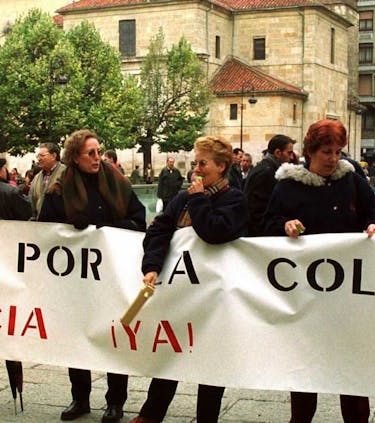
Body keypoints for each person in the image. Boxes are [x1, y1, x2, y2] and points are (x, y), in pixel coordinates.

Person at [263, 119, 375, 423]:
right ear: (310, 151)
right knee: (305, 368)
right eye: (327, 152)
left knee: (352, 369)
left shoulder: (352, 180)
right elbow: (266, 223)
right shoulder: (288, 185)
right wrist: (283, 226)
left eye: (338, 152)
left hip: (348, 295)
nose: (333, 159)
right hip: (306, 295)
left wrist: (374, 224)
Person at [130, 136, 248, 423]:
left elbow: (214, 231)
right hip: (183, 295)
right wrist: (153, 264)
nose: (197, 168)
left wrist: (197, 199)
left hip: (216, 299)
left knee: (210, 362)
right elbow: (158, 230)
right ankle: (151, 414)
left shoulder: (234, 200)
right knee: (171, 353)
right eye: (196, 162)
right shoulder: (183, 198)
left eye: (203, 163)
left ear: (221, 167)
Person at [38, 129, 146, 423]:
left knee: (115, 337)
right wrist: (71, 229)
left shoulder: (117, 182)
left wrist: (109, 227)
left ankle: (115, 402)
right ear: (75, 157)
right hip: (77, 280)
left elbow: (139, 220)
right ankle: (80, 398)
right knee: (78, 338)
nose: (98, 158)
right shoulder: (59, 188)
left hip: (113, 276)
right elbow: (45, 232)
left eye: (99, 151)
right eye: (91, 153)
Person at [243, 135, 296, 236]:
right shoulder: (266, 172)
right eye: (289, 153)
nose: (291, 157)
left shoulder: (267, 168)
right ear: (277, 153)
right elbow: (258, 210)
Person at [29, 142, 66, 220]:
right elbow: (32, 200)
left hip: (60, 225)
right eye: (38, 156)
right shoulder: (37, 177)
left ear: (53, 156)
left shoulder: (65, 173)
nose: (39, 159)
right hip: (40, 224)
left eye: (42, 155)